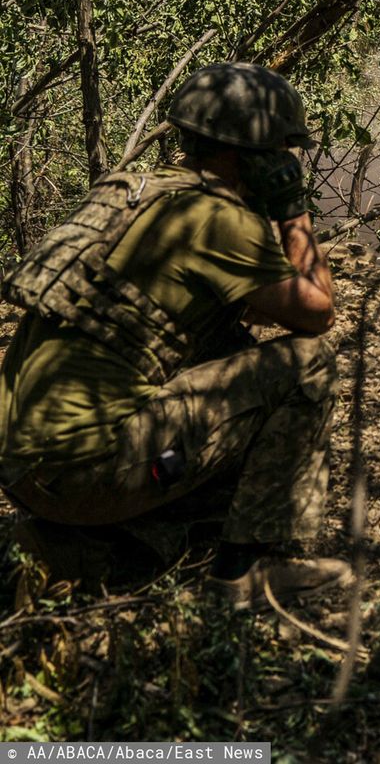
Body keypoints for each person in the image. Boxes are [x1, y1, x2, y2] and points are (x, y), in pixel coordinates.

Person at [0, 63, 350, 609]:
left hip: (23, 466)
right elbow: (318, 314)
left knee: (231, 349)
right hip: (87, 469)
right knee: (309, 365)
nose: (289, 161)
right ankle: (243, 574)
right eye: (283, 151)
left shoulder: (128, 191)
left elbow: (213, 314)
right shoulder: (218, 221)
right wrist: (293, 211)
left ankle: (67, 552)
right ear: (253, 156)